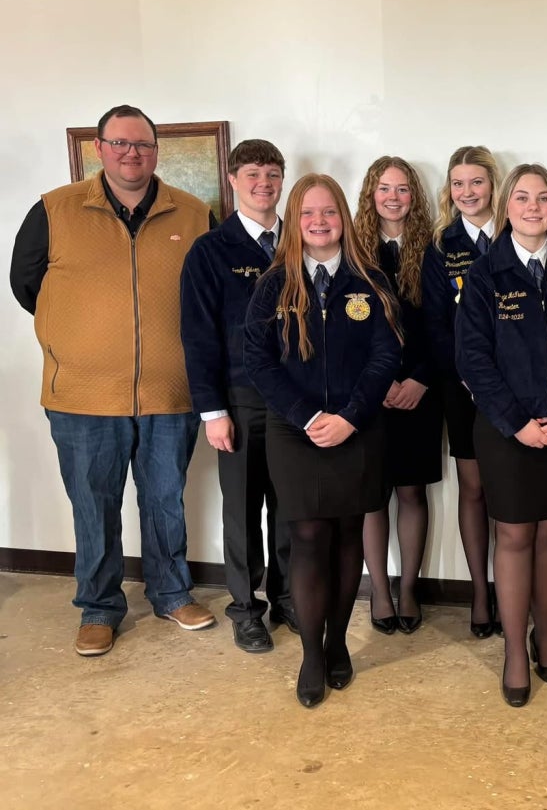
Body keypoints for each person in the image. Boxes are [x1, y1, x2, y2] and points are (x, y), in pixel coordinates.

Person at [10, 104, 217, 657]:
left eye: (143, 145)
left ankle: (172, 594)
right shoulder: (54, 210)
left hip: (170, 392)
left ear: (157, 151)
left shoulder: (194, 214)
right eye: (120, 143)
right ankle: (98, 608)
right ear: (99, 149)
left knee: (165, 499)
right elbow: (26, 286)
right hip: (81, 394)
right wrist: (81, 337)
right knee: (92, 503)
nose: (133, 154)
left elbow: (213, 299)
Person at [244, 174, 401, 707]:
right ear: (295, 219)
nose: (318, 222)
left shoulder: (370, 281)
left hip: (358, 430)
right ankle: (313, 653)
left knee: (348, 535)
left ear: (343, 219)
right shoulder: (273, 285)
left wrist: (351, 416)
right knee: (309, 537)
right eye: (308, 213)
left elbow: (386, 356)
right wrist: (309, 415)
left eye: (328, 212)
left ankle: (339, 643)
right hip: (296, 431)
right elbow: (259, 362)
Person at [456, 164, 547, 707]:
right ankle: (515, 650)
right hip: (505, 432)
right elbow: (473, 360)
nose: (533, 206)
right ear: (506, 206)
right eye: (521, 197)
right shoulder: (486, 275)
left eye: (543, 198)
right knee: (514, 536)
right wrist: (517, 423)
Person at [180, 139, 297, 653]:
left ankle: (288, 596)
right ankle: (246, 608)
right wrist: (213, 412)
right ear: (232, 180)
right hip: (241, 398)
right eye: (252, 173)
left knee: (290, 505)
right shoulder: (211, 250)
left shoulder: (300, 240)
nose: (263, 184)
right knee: (244, 510)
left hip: (294, 398)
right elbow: (198, 335)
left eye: (272, 173)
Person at [353, 156, 443, 635]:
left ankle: (408, 588)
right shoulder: (352, 250)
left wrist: (420, 380)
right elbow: (351, 333)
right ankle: (380, 593)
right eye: (384, 188)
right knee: (373, 495)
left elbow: (442, 327)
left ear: (415, 195)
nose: (393, 197)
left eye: (403, 189)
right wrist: (378, 383)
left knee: (411, 492)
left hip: (420, 391)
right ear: (371, 193)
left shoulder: (433, 248)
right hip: (369, 393)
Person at [421, 146, 503, 637]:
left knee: (512, 488)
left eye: (476, 182)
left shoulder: (522, 230)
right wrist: (471, 374)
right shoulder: (441, 245)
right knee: (473, 488)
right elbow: (436, 325)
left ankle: (519, 588)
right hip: (463, 387)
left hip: (519, 390)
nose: (468, 192)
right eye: (458, 184)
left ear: (494, 184)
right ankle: (480, 590)